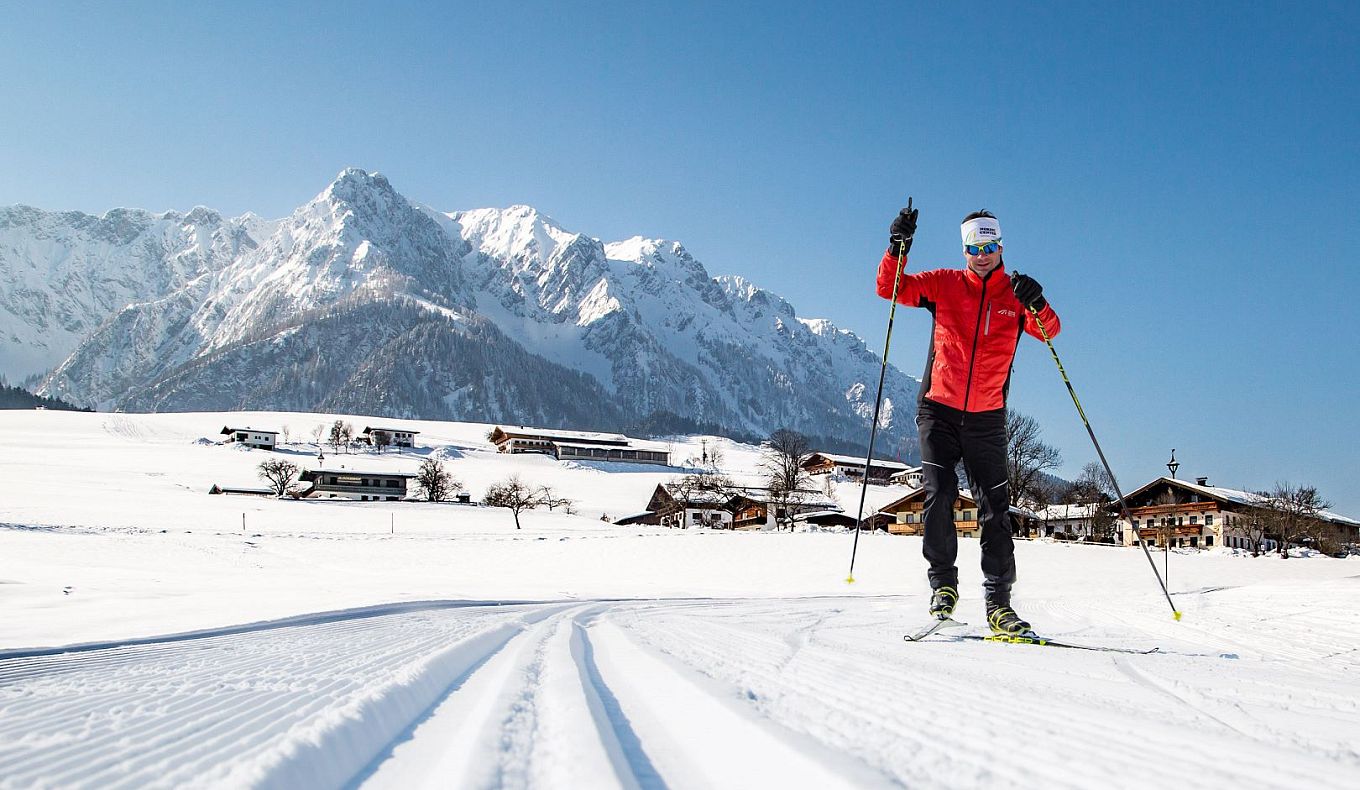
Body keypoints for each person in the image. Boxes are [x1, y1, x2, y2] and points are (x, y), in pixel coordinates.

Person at [875, 205, 1060, 635]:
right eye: (974, 248)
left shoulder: (1014, 295)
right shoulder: (943, 284)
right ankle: (943, 586)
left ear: (1001, 247)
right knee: (940, 493)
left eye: (990, 246)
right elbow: (890, 287)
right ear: (964, 249)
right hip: (938, 409)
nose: (982, 255)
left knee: (995, 508)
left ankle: (999, 603)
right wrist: (896, 246)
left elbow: (1050, 331)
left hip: (987, 420)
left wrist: (1038, 300)